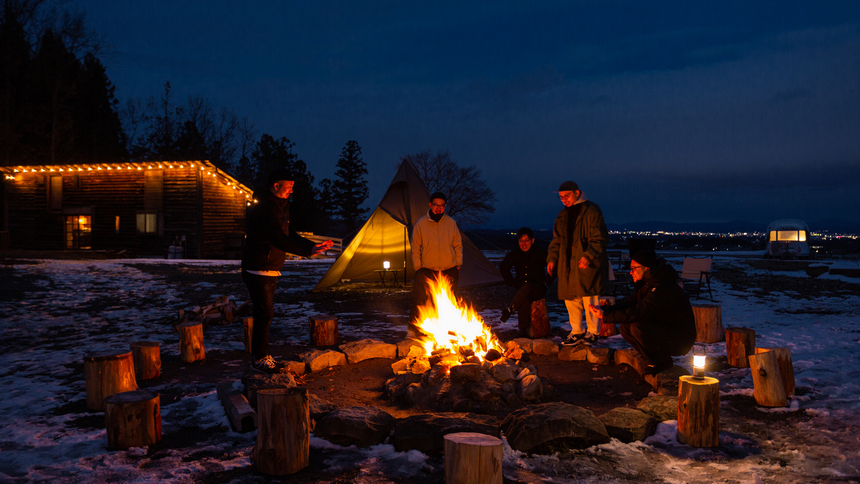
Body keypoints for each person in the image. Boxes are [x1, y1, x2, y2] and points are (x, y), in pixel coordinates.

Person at [242, 168, 332, 373]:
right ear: (276, 186)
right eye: (289, 186)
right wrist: (307, 250)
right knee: (264, 314)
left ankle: (262, 356)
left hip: (268, 267)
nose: (292, 190)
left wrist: (311, 247)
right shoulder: (265, 208)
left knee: (265, 313)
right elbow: (278, 239)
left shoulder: (278, 206)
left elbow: (288, 233)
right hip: (259, 267)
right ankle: (259, 359)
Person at [587, 250, 696, 375]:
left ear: (646, 268)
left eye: (634, 268)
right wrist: (605, 309)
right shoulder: (649, 284)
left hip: (680, 339)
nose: (631, 272)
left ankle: (662, 362)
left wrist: (605, 316)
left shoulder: (662, 287)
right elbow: (631, 302)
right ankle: (653, 360)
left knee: (637, 326)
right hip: (666, 331)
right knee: (625, 328)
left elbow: (640, 311)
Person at [546, 181, 609, 346]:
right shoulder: (562, 215)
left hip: (587, 264)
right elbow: (557, 239)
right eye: (561, 197)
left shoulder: (592, 210)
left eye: (567, 196)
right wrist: (552, 258)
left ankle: (593, 332)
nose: (564, 200)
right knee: (571, 299)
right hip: (567, 264)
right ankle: (576, 331)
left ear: (577, 192)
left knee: (590, 298)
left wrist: (589, 254)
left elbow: (599, 237)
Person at [409, 192, 463, 335]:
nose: (438, 208)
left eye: (441, 205)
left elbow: (457, 244)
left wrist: (458, 263)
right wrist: (418, 267)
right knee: (421, 300)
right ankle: (414, 330)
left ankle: (447, 331)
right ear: (430, 205)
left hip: (448, 268)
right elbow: (415, 247)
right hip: (427, 268)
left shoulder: (450, 223)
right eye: (435, 205)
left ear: (445, 206)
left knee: (448, 301)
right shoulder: (421, 224)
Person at [499, 227, 555, 337]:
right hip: (522, 288)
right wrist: (512, 282)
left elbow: (554, 267)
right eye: (521, 241)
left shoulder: (540, 253)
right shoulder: (515, 254)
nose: (524, 244)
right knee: (524, 293)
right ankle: (523, 330)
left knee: (527, 287)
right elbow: (503, 267)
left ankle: (510, 309)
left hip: (538, 288)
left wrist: (547, 281)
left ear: (532, 241)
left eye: (526, 240)